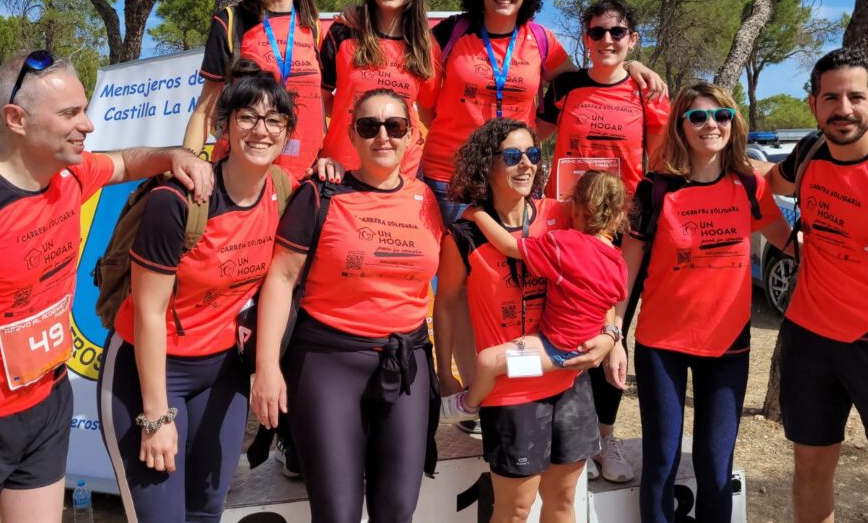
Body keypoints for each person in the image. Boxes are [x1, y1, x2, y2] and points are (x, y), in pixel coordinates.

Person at [0, 50, 213, 523]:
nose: (87, 125)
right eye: (69, 113)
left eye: (85, 110)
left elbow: (127, 162)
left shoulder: (70, 175)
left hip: (44, 400)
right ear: (16, 119)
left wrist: (174, 155)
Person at [422, 0, 664, 404]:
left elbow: (588, 79)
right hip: (450, 175)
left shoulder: (540, 40)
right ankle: (469, 388)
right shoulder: (451, 33)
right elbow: (424, 101)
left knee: (510, 287)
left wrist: (630, 64)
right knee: (454, 288)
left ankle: (504, 387)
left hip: (514, 175)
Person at [98, 68, 297, 523]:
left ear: (287, 133)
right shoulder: (180, 201)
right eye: (247, 117)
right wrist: (155, 416)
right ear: (223, 125)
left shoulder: (282, 192)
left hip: (221, 372)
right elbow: (148, 310)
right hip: (149, 370)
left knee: (206, 511)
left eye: (274, 121)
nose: (261, 130)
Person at [251, 88, 444, 523]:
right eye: (368, 126)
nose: (383, 136)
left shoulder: (427, 200)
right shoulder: (321, 194)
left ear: (412, 136)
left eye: (395, 126)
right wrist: (266, 368)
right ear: (352, 137)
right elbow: (280, 279)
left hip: (406, 360)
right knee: (337, 514)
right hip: (327, 361)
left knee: (396, 511)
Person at [603, 82, 788, 522]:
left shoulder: (748, 186)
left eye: (721, 116)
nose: (711, 125)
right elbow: (625, 272)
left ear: (733, 123)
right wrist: (613, 335)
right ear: (681, 125)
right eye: (698, 117)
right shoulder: (655, 189)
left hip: (728, 348)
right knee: (662, 463)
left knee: (715, 466)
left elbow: (793, 244)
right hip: (661, 345)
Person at [759, 48, 868, 523]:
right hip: (809, 340)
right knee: (810, 473)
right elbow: (764, 186)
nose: (844, 109)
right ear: (813, 104)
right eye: (831, 97)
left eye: (855, 96)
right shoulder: (810, 153)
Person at [433, 118, 617, 523]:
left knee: (564, 502)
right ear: (488, 165)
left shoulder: (561, 214)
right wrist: (445, 374)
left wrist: (611, 334)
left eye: (532, 155)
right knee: (515, 510)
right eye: (513, 156)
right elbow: (444, 304)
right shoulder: (464, 233)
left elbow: (597, 276)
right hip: (511, 389)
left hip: (568, 376)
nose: (526, 165)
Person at [536, 0, 671, 482]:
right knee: (555, 327)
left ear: (633, 38)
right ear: (585, 38)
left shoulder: (646, 93)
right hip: (563, 228)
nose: (607, 41)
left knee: (610, 334)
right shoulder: (568, 86)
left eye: (618, 33)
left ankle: (604, 439)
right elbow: (535, 134)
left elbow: (663, 157)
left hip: (620, 234)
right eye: (597, 33)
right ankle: (559, 432)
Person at [442, 169, 628, 415]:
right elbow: (612, 299)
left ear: (577, 209)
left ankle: (466, 408)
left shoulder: (565, 244)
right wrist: (611, 336)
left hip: (555, 350)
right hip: (585, 347)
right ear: (617, 217)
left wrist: (478, 215)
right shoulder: (618, 262)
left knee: (487, 362)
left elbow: (509, 245)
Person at [184, 0, 325, 181]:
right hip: (242, 182)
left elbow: (324, 108)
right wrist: (186, 164)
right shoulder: (231, 22)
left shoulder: (314, 27)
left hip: (302, 180)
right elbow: (204, 111)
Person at [319, 0, 440, 178]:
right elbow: (319, 102)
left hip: (403, 174)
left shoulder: (425, 46)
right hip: (342, 169)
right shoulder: (344, 33)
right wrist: (355, 113)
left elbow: (428, 114)